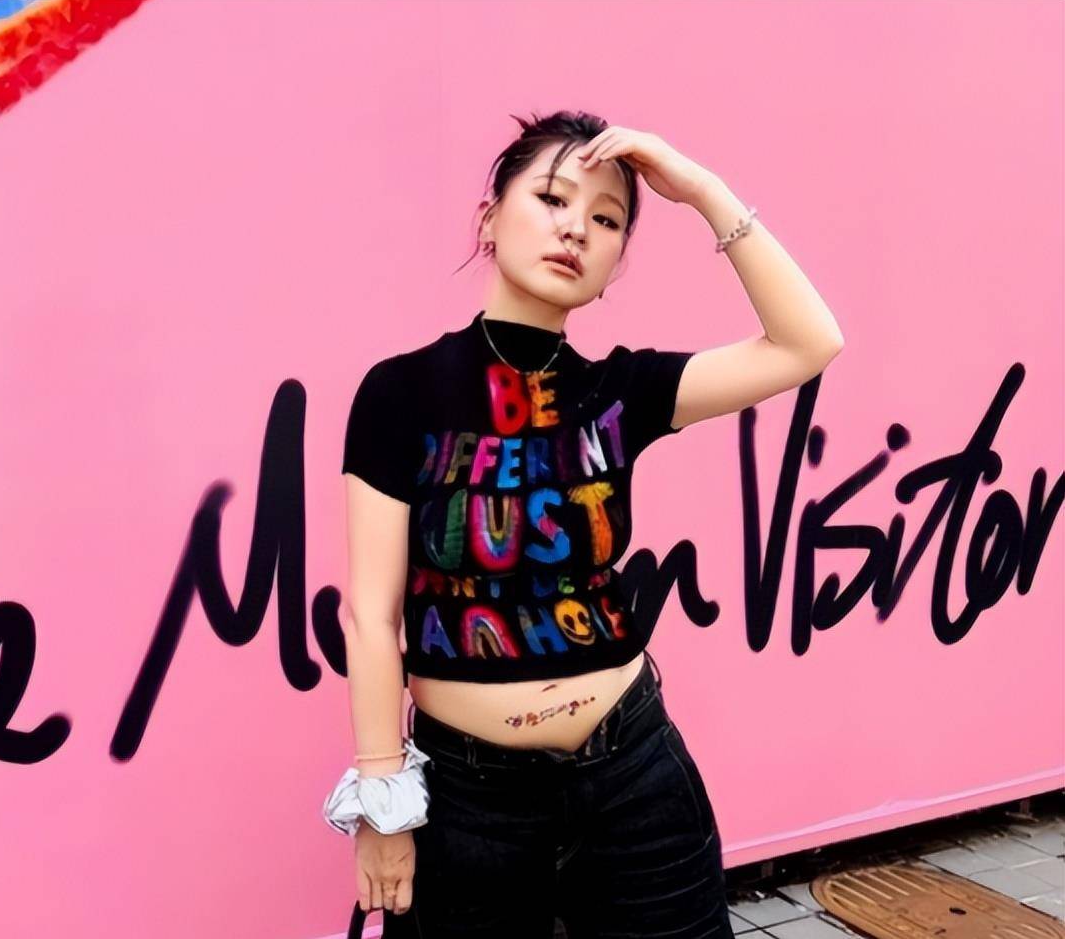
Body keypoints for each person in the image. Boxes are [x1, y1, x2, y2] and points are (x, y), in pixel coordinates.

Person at [325, 109, 845, 937]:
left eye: (606, 221)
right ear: (489, 218)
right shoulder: (401, 392)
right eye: (553, 199)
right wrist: (382, 806)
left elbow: (808, 342)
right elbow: (371, 614)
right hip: (472, 804)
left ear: (610, 269)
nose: (576, 229)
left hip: (635, 778)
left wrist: (701, 190)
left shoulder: (619, 392)